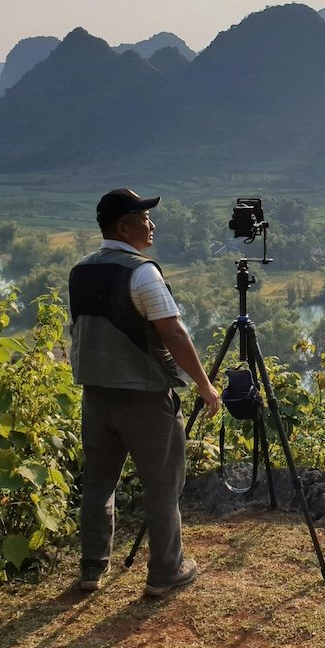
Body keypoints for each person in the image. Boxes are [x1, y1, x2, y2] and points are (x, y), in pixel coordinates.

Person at [68, 188, 220, 596]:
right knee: (162, 484)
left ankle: (91, 569)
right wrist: (205, 385)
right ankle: (165, 571)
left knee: (99, 483)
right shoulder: (141, 272)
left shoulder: (81, 270)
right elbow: (171, 331)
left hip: (96, 395)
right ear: (123, 227)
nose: (151, 224)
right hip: (143, 397)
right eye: (143, 218)